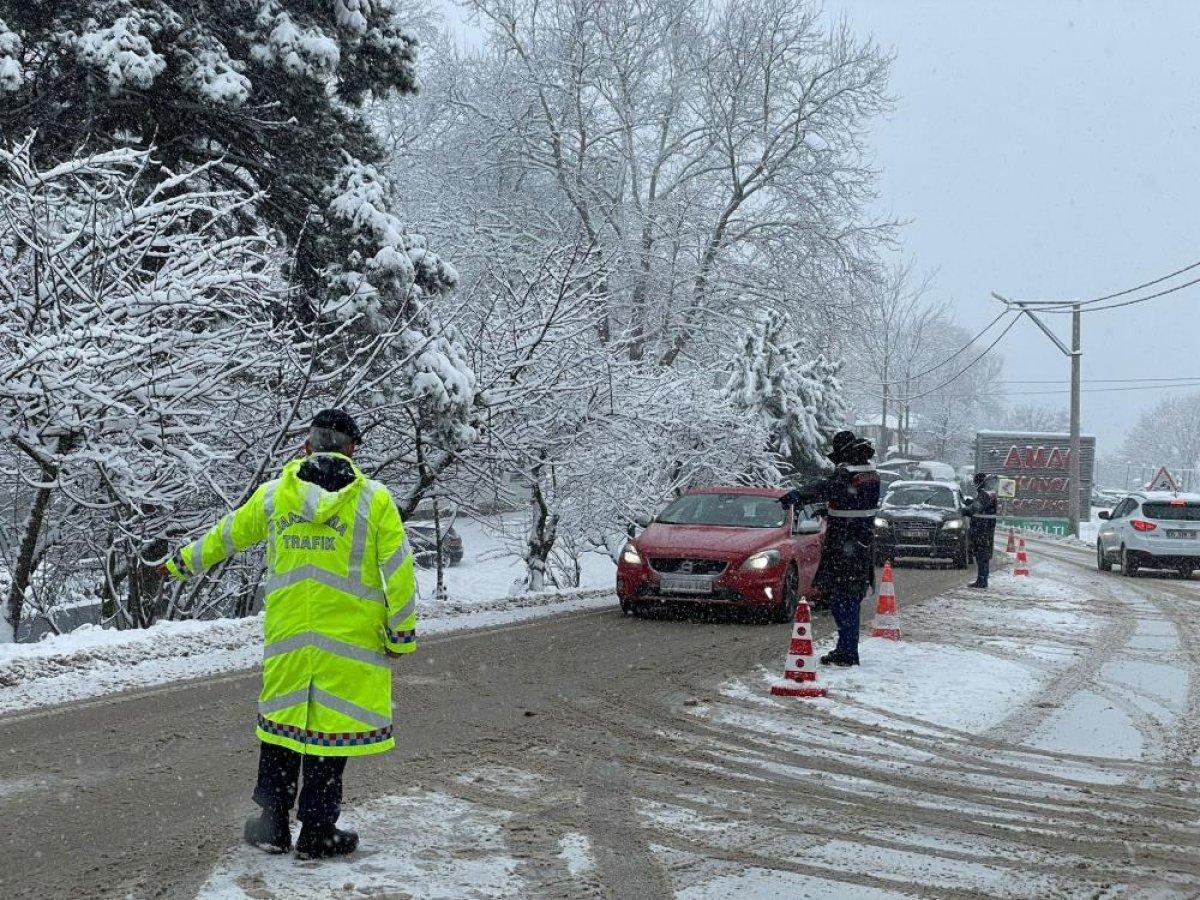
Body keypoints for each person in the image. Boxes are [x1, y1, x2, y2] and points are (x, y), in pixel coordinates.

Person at [158, 409, 417, 859]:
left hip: (289, 640)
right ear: (352, 448)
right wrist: (400, 634)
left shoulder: (275, 496)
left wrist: (181, 562)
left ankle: (272, 824)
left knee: (282, 729)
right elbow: (399, 572)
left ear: (307, 446)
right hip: (349, 646)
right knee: (328, 737)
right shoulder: (374, 501)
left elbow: (227, 534)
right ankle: (317, 830)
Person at [779, 430, 881, 666]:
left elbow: (826, 488)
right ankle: (847, 649)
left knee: (840, 599)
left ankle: (847, 652)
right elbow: (857, 504)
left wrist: (797, 495)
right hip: (862, 542)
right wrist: (831, 510)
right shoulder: (869, 472)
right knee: (850, 598)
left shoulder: (846, 473)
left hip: (843, 544)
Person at [963, 472, 998, 589]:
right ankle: (982, 579)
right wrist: (971, 502)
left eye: (975, 482)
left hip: (981, 530)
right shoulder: (989, 493)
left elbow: (976, 508)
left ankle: (982, 581)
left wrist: (964, 510)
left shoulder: (985, 494)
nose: (974, 484)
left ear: (980, 483)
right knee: (983, 556)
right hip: (985, 530)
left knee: (981, 556)